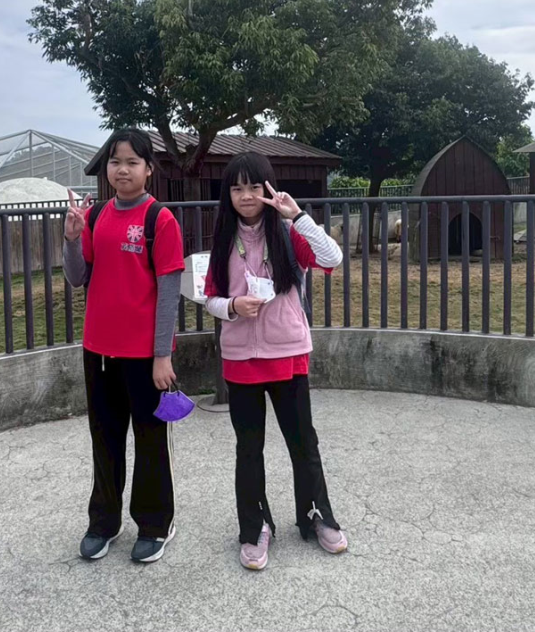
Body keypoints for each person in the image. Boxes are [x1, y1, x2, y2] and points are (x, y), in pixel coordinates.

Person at [203, 152, 348, 571]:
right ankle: (255, 526)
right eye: (237, 188)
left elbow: (332, 258)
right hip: (241, 359)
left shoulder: (288, 233)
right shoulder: (222, 239)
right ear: (228, 194)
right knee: (249, 449)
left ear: (268, 189)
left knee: (303, 442)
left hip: (288, 355)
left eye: (254, 187)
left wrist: (297, 215)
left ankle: (316, 515)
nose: (246, 196)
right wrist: (232, 307)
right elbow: (210, 298)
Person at [62, 128, 185, 563]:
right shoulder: (95, 216)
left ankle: (155, 524)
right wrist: (72, 238)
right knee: (105, 438)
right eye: (115, 161)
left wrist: (162, 355)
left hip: (145, 356)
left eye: (133, 162)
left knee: (151, 441)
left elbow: (168, 292)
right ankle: (104, 522)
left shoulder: (160, 220)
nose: (122, 170)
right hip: (98, 351)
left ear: (149, 169)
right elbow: (77, 277)